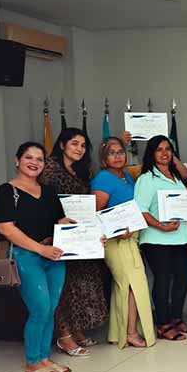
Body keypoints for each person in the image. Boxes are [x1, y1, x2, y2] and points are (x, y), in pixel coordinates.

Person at [0, 142, 73, 372]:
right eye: (29, 157)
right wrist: (39, 249)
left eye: (39, 159)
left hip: (54, 254)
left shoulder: (48, 191)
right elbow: (6, 229)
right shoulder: (7, 191)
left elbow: (60, 221)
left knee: (50, 309)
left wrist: (80, 230)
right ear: (17, 160)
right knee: (39, 309)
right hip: (27, 256)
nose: (34, 162)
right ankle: (32, 361)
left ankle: (44, 358)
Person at [40, 127, 108, 356]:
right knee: (64, 288)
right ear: (61, 145)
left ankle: (77, 329)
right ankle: (64, 336)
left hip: (82, 236)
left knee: (81, 285)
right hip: (59, 234)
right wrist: (56, 220)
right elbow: (43, 200)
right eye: (74, 144)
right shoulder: (49, 168)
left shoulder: (83, 171)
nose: (79, 149)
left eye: (82, 145)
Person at [91, 137, 155, 349]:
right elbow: (96, 213)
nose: (118, 156)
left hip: (131, 237)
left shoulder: (127, 176)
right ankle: (130, 332)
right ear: (103, 157)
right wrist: (115, 232)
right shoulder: (102, 179)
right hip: (115, 241)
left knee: (125, 286)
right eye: (112, 153)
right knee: (130, 285)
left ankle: (118, 333)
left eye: (121, 152)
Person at [134, 135, 187, 341]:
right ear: (151, 153)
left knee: (183, 279)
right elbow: (140, 210)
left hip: (181, 237)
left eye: (168, 148)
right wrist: (161, 226)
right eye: (159, 149)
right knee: (163, 281)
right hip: (157, 239)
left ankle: (176, 317)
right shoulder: (147, 178)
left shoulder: (176, 178)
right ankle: (162, 323)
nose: (165, 153)